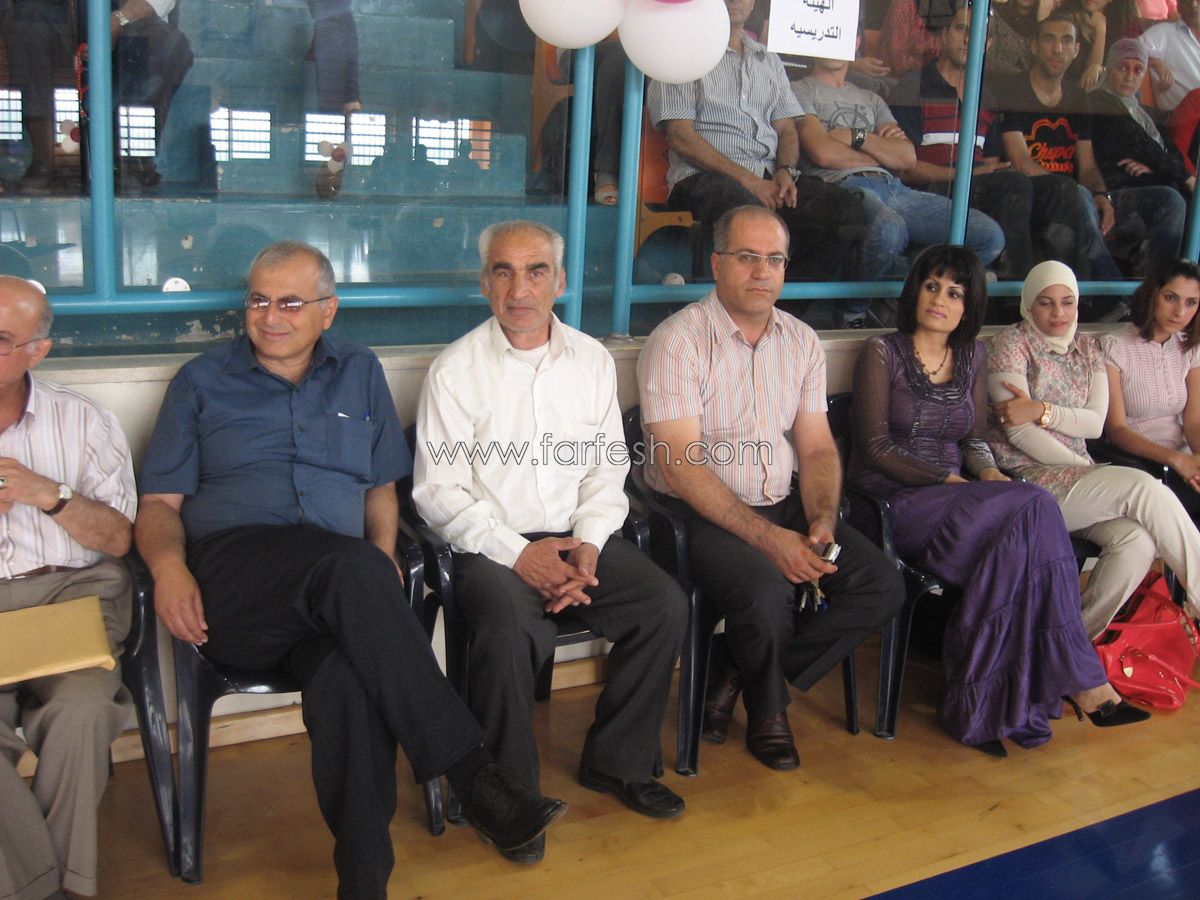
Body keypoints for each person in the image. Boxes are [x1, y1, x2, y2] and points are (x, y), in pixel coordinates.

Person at [134, 240, 566, 894]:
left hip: (335, 599)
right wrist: (168, 568)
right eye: (257, 300)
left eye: (289, 303)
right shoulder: (200, 382)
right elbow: (158, 505)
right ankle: (475, 776)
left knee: (348, 680)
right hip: (235, 587)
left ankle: (364, 882)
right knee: (349, 568)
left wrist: (383, 551)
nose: (269, 316)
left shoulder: (359, 371)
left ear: (328, 310)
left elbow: (380, 488)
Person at [413, 220, 688, 864]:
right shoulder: (454, 371)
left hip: (576, 537)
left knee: (662, 605)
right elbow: (437, 492)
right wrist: (520, 554)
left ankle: (616, 761)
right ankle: (508, 797)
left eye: (536, 271)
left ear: (559, 281)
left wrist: (589, 543)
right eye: (503, 272)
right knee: (511, 628)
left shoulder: (592, 360)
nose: (520, 289)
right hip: (491, 546)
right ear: (485, 284)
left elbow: (606, 469)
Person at [848, 246, 1147, 756]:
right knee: (1035, 507)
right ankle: (1078, 680)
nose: (940, 300)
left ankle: (986, 708)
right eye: (932, 287)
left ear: (969, 306)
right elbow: (875, 447)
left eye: (955, 292)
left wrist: (988, 474)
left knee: (1019, 542)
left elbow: (973, 438)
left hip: (959, 497)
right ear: (915, 291)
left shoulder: (972, 356)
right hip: (895, 500)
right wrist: (951, 481)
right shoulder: (883, 351)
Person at [637, 205, 906, 772]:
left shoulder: (801, 341)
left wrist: (822, 520)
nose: (763, 272)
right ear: (717, 264)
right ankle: (769, 709)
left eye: (775, 259)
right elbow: (681, 465)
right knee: (767, 592)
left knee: (879, 583)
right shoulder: (678, 341)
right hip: (695, 515)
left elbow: (817, 448)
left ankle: (733, 667)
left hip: (783, 504)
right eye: (748, 257)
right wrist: (768, 540)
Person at [0, 277, 136, 899]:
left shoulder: (82, 420)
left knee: (80, 711)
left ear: (38, 350)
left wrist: (47, 494)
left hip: (70, 597)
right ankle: (50, 887)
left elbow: (120, 538)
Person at [987, 260, 1200, 640]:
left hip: (1078, 479)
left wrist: (1042, 410)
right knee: (1144, 489)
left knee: (1137, 542)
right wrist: (1085, 466)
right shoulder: (1010, 346)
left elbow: (1095, 424)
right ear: (1029, 304)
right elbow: (1019, 433)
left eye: (1067, 302)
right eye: (1046, 302)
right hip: (1026, 481)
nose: (1058, 313)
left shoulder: (1087, 348)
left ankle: (1069, 642)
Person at [645, 0, 868, 281]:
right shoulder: (682, 52)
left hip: (767, 179)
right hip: (701, 180)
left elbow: (787, 129)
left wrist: (786, 171)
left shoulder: (768, 60)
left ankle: (782, 302)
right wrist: (750, 181)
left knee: (846, 212)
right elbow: (681, 136)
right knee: (747, 208)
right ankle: (746, 297)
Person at [792, 43, 1005, 328]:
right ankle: (852, 313)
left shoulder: (872, 98)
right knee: (889, 230)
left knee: (989, 236)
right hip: (842, 186)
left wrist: (855, 136)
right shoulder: (800, 90)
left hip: (894, 186)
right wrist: (881, 151)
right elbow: (822, 153)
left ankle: (907, 292)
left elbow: (906, 158)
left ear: (856, 42)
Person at [891, 3, 1085, 283]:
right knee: (1015, 183)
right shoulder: (914, 86)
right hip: (928, 193)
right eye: (961, 29)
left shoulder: (986, 97)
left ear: (989, 44)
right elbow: (904, 168)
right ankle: (1013, 292)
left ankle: (1066, 291)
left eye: (978, 33)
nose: (968, 39)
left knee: (1061, 188)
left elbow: (992, 163)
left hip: (977, 189)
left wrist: (982, 175)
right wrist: (964, 175)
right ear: (944, 35)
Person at [999, 13, 1183, 280]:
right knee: (1076, 193)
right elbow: (1021, 162)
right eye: (1049, 39)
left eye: (1066, 41)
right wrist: (1077, 190)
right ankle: (1108, 290)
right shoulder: (1014, 91)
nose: (1057, 49)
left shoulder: (1078, 98)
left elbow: (1087, 165)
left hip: (1079, 194)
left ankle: (1155, 286)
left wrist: (1101, 195)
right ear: (1034, 46)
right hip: (1038, 195)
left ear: (1076, 51)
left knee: (1169, 200)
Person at [1103, 259, 1200, 517]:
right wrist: (1177, 460)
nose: (1180, 312)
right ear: (1152, 295)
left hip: (1181, 459)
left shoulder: (1189, 348)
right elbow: (1116, 430)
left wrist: (1196, 461)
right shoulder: (1114, 346)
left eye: (1191, 302)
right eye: (1171, 298)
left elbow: (1193, 422)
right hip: (1138, 463)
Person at [1091, 39, 1195, 205]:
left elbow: (1171, 150)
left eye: (1137, 70)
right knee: (1173, 198)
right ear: (1109, 69)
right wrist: (1186, 178)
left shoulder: (1142, 113)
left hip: (1149, 182)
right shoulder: (1099, 102)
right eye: (1122, 68)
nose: (1129, 77)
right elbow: (1138, 141)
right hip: (1117, 189)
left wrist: (1154, 168)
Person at [1142, 0, 1200, 113]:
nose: (1193, 5)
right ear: (1179, 6)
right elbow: (1128, 51)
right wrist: (1153, 61)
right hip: (1183, 115)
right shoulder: (1165, 32)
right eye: (1187, 1)